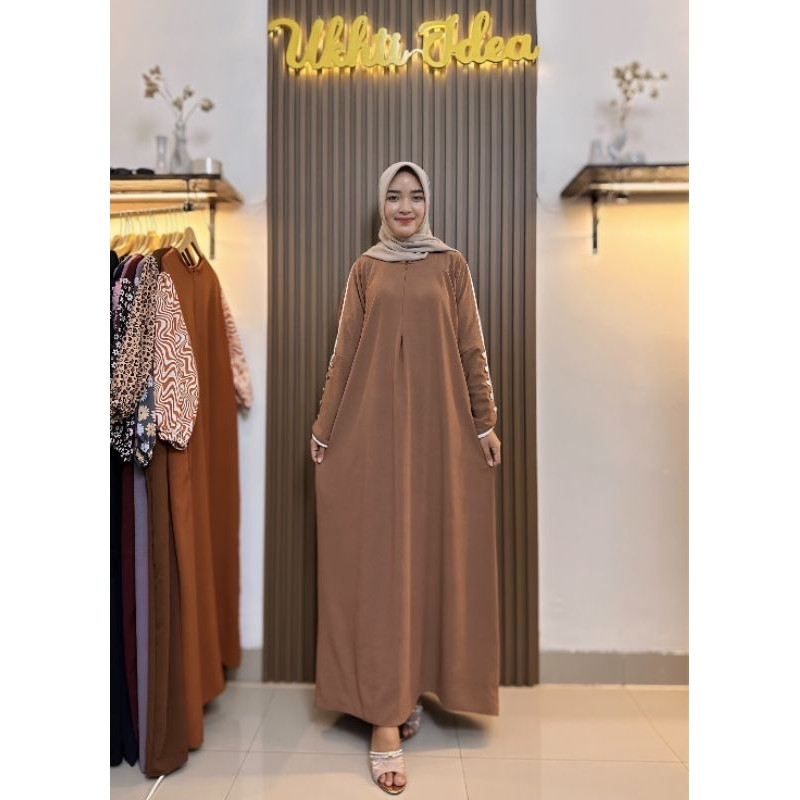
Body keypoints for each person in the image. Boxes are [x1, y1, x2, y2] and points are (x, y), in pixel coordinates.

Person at [309, 161, 502, 795]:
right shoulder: (365, 269)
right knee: (381, 566)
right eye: (394, 196)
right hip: (371, 435)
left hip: (439, 436)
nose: (404, 207)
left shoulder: (451, 266)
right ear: (381, 204)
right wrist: (324, 428)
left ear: (427, 203)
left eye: (415, 196)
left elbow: (471, 347)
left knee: (425, 560)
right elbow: (344, 351)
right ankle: (384, 717)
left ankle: (409, 684)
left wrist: (484, 423)